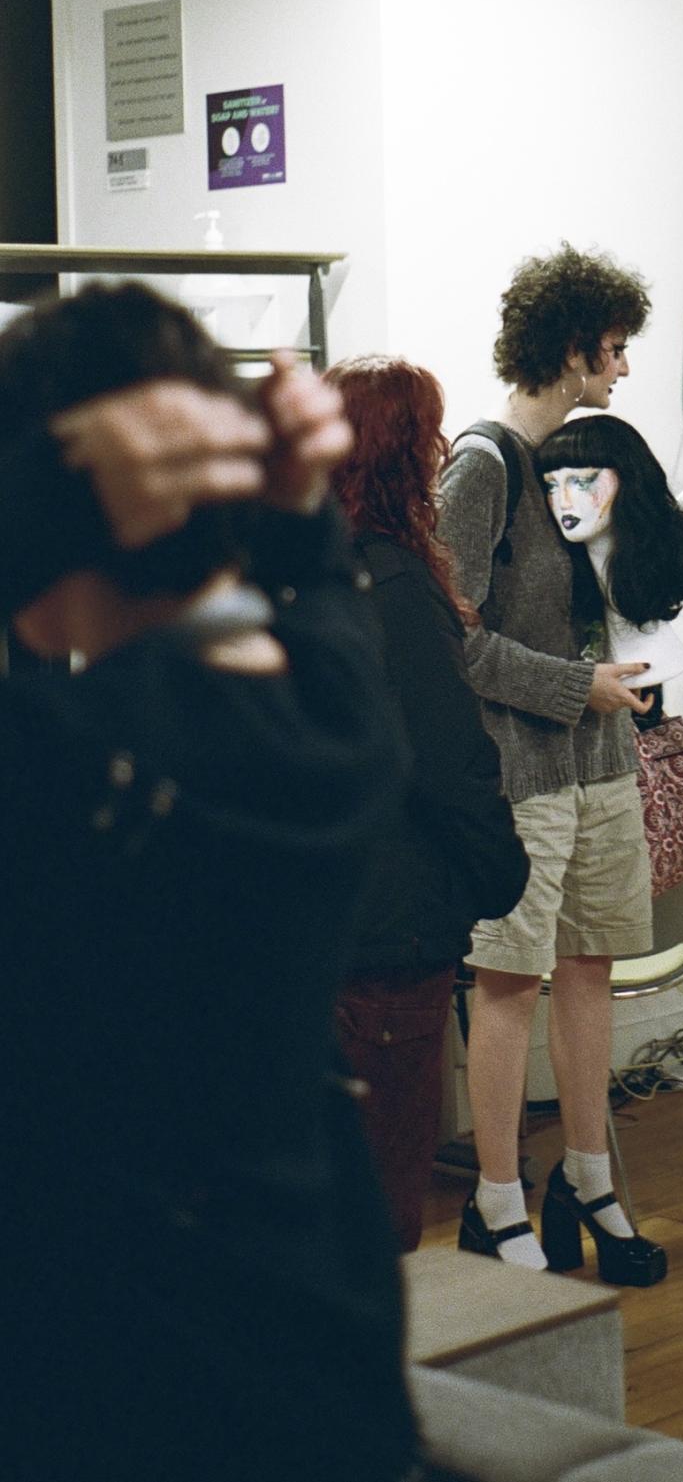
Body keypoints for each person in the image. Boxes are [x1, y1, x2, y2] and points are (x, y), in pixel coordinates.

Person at [0, 283, 429, 1482]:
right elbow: (314, 599)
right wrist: (285, 510)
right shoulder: (332, 716)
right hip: (316, 1319)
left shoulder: (60, 757)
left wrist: (41, 503)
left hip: (112, 1361)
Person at [435, 244, 667, 1286]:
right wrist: (582, 688)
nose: (620, 368)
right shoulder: (480, 466)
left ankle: (588, 1179)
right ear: (571, 349)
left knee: (588, 976)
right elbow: (455, 641)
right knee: (510, 984)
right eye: (612, 350)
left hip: (602, 763)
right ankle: (494, 1202)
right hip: (523, 773)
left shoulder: (591, 461)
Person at [326, 355, 529, 1252]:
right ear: (411, 455)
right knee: (380, 1205)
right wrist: (499, 871)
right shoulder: (398, 589)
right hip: (389, 927)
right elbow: (449, 763)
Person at [535, 410, 683, 729]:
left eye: (581, 481)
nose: (563, 500)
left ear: (628, 479)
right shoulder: (559, 580)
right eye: (552, 485)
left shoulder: (640, 576)